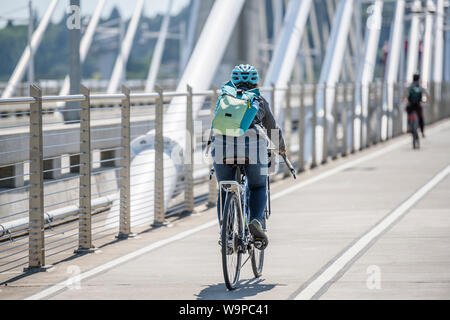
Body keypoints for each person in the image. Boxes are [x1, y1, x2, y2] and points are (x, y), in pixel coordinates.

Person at [210, 64, 287, 248]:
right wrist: (281, 149)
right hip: (253, 149)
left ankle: (227, 232)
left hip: (222, 148)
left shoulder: (224, 98)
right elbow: (272, 129)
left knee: (224, 188)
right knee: (258, 186)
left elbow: (215, 124)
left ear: (233, 79)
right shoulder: (259, 100)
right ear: (255, 81)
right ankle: (255, 222)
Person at [402, 73, 430, 138]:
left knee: (409, 116)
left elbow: (404, 97)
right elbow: (427, 95)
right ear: (418, 79)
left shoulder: (409, 87)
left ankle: (409, 128)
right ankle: (422, 132)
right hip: (418, 105)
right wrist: (426, 101)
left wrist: (404, 101)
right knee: (420, 118)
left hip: (410, 106)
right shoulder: (420, 87)